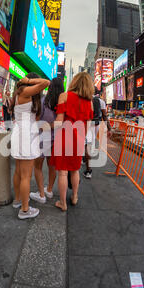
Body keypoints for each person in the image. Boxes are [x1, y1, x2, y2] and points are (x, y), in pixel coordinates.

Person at [49, 72, 94, 211]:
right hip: (79, 139)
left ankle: (63, 203)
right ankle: (74, 197)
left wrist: (45, 125)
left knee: (63, 172)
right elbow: (87, 125)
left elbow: (58, 123)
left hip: (64, 137)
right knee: (75, 170)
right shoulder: (90, 102)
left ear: (74, 82)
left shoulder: (65, 96)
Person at [10, 73, 50, 219]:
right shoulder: (25, 91)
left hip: (20, 133)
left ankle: (18, 200)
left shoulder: (18, 94)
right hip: (26, 135)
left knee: (19, 172)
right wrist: (30, 81)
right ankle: (25, 210)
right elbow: (46, 82)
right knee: (26, 175)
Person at [29, 77, 64, 204]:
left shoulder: (43, 102)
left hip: (42, 139)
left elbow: (37, 122)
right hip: (56, 140)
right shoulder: (62, 104)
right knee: (52, 166)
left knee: (37, 167)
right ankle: (49, 190)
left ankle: (42, 195)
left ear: (50, 88)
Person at [83, 87, 112, 179]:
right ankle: (86, 161)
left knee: (86, 146)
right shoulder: (101, 101)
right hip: (96, 125)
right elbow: (104, 115)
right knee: (89, 145)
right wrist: (109, 128)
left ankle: (88, 170)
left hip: (86, 124)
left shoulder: (85, 98)